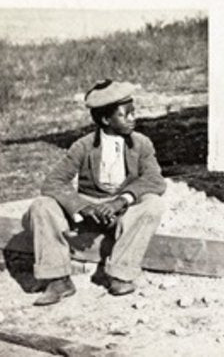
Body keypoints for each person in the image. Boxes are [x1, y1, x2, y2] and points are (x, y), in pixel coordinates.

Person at [27, 80, 166, 305]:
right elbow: (54, 182)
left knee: (153, 204)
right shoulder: (83, 146)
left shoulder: (141, 144)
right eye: (125, 115)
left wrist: (121, 201)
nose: (133, 118)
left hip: (122, 211)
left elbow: (154, 180)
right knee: (41, 205)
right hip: (88, 210)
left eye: (134, 112)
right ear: (105, 120)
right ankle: (58, 279)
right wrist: (83, 207)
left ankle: (120, 274)